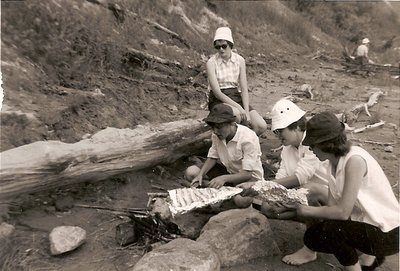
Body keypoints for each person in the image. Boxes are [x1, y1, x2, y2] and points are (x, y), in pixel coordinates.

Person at [283, 111, 399, 271]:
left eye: (312, 145)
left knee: (333, 232)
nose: (310, 148)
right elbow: (332, 208)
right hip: (370, 226)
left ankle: (361, 263)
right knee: (314, 236)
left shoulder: (354, 161)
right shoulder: (332, 163)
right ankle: (368, 261)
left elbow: (342, 212)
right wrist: (293, 209)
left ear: (326, 144)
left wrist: (303, 210)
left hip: (389, 232)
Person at [262, 99, 331, 265]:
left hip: (329, 195)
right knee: (268, 207)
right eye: (276, 132)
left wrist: (263, 186)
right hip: (305, 194)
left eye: (281, 131)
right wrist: (273, 193)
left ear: (296, 126)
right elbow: (282, 175)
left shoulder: (312, 143)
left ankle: (310, 248)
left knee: (308, 192)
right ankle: (319, 228)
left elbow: (301, 177)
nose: (278, 136)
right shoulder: (287, 148)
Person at [185, 103, 264, 208]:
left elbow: (247, 174)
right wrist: (201, 175)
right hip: (228, 171)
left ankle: (222, 193)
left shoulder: (248, 138)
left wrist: (223, 179)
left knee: (242, 200)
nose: (215, 131)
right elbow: (212, 156)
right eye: (213, 127)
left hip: (248, 179)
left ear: (231, 123)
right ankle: (223, 192)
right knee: (191, 173)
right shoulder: (217, 135)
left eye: (219, 127)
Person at [207, 26, 267, 136]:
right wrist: (239, 108)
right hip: (218, 99)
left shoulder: (239, 60)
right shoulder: (211, 62)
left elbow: (244, 89)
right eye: (218, 47)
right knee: (237, 116)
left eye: (224, 46)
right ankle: (233, 145)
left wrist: (247, 112)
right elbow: (217, 92)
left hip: (235, 95)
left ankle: (244, 142)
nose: (221, 49)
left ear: (230, 45)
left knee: (261, 126)